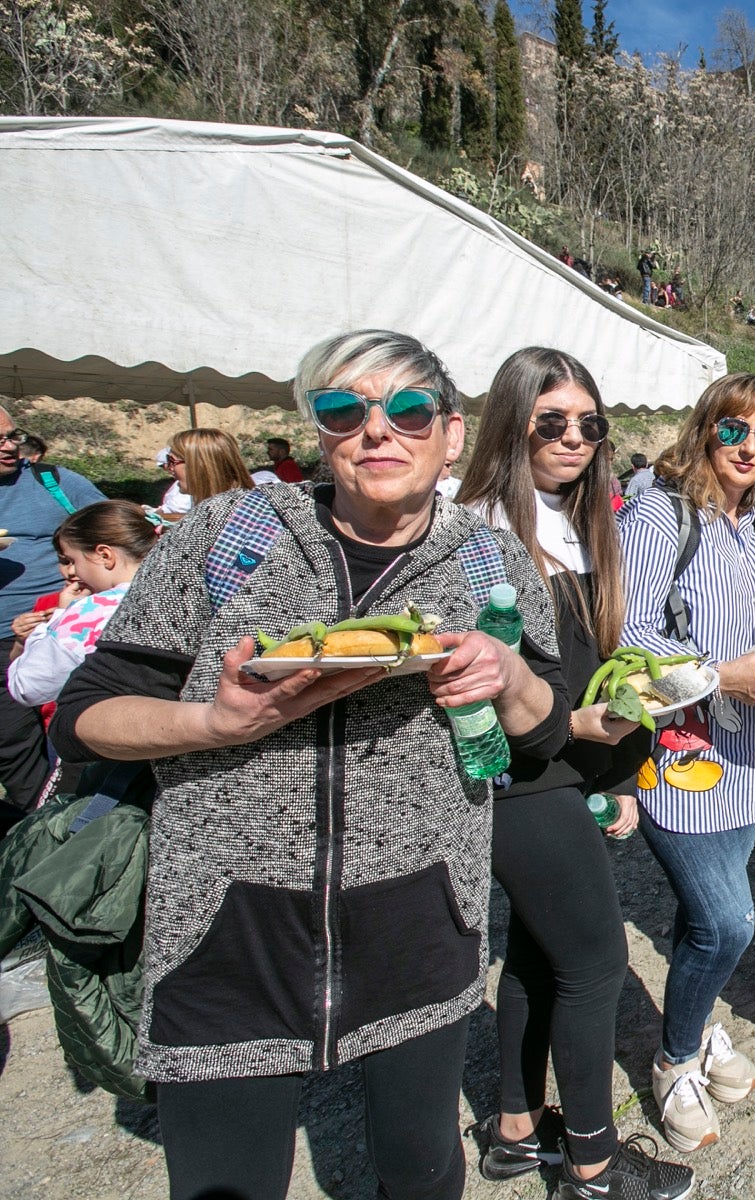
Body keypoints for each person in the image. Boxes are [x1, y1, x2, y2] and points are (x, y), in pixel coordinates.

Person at [49, 329, 564, 1199]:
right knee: (226, 1184)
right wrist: (214, 722)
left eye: (406, 410)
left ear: (450, 433)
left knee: (424, 1168)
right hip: (229, 924)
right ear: (319, 432)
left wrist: (508, 674)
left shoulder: (488, 557)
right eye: (343, 410)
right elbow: (84, 717)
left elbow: (542, 734)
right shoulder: (230, 532)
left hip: (418, 911)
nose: (377, 431)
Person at [457, 348, 691, 1200]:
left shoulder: (583, 518)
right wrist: (584, 739)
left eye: (590, 424)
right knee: (594, 960)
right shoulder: (479, 527)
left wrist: (617, 772)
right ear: (510, 424)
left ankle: (517, 1130)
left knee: (535, 949)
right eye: (550, 421)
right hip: (518, 775)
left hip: (569, 768)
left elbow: (596, 663)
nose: (575, 438)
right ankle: (592, 1165)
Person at [619, 373, 755, 1154]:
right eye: (735, 429)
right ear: (706, 427)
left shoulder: (743, 525)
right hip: (683, 753)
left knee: (707, 917)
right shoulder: (663, 509)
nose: (750, 448)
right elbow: (629, 632)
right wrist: (728, 673)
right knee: (731, 921)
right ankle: (673, 1059)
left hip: (750, 749)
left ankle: (694, 1031)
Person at [0, 406, 105, 826]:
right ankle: (38, 826)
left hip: (67, 629)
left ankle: (69, 823)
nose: (10, 446)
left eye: (12, 435)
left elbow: (112, 526)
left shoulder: (52, 480)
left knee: (74, 734)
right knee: (12, 742)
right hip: (5, 638)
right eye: (0, 440)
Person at [8, 501, 157, 711]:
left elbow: (27, 687)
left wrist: (59, 617)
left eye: (73, 560)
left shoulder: (90, 613)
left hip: (108, 728)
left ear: (105, 555)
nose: (72, 572)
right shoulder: (186, 593)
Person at [159, 428, 255, 521]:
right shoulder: (242, 505)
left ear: (199, 466)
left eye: (171, 461)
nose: (169, 468)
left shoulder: (223, 518)